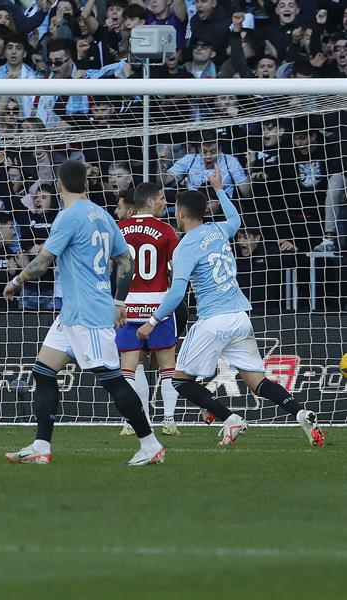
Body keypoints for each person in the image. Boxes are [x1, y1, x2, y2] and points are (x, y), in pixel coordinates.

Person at [136, 167, 325, 448]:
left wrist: (152, 321)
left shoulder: (185, 246)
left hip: (214, 320)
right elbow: (235, 218)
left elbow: (178, 291)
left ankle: (230, 418)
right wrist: (220, 189)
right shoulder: (219, 230)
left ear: (181, 213)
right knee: (258, 382)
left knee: (179, 380)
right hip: (240, 317)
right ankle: (300, 412)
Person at [3, 159, 164, 466]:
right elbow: (125, 261)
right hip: (74, 313)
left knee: (112, 380)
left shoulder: (68, 217)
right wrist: (119, 301)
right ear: (87, 184)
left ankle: (150, 442)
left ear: (60, 186)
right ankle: (41, 446)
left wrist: (16, 281)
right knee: (43, 371)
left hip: (88, 314)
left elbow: (43, 261)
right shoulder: (103, 216)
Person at [114, 183, 181, 436]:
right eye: (162, 199)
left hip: (128, 305)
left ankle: (131, 422)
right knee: (167, 365)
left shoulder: (119, 229)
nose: (166, 203)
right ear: (150, 202)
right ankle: (169, 420)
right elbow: (176, 269)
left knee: (129, 366)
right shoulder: (165, 230)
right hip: (158, 305)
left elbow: (114, 267)